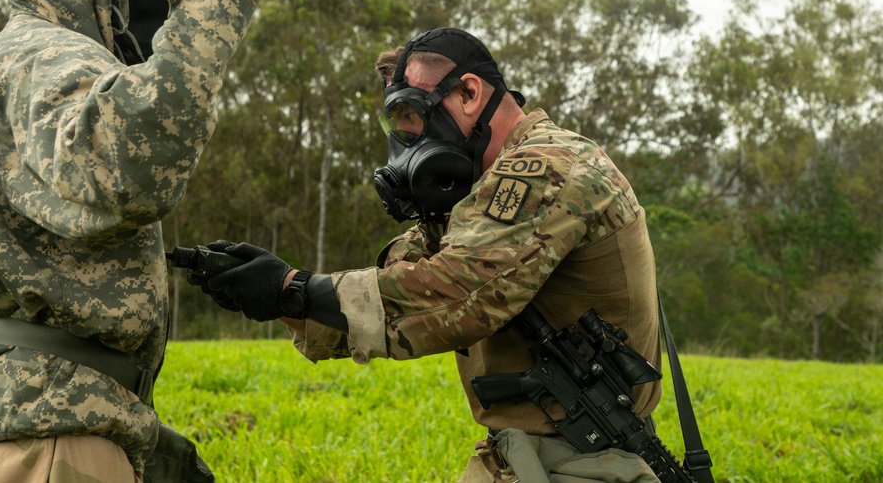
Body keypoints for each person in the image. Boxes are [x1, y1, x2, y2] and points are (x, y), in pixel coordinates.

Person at [0, 0, 275, 483]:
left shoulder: (36, 60)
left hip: (45, 427)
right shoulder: (45, 53)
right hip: (45, 444)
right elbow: (129, 166)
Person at [193, 27, 664, 483]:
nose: (408, 142)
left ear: (469, 94)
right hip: (527, 455)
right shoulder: (478, 192)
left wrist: (293, 290)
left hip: (583, 463)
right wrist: (275, 293)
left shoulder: (546, 168)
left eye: (413, 118)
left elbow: (455, 292)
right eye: (396, 125)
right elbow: (397, 285)